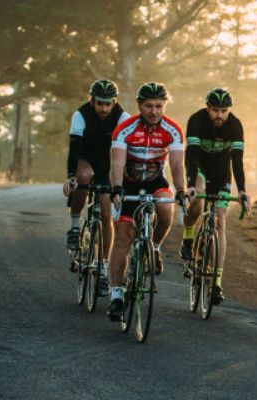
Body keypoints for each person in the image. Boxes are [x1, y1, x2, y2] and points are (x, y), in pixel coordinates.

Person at [106, 82, 187, 321]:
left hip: (155, 181)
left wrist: (181, 189)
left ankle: (155, 246)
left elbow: (175, 164)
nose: (154, 111)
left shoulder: (172, 130)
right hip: (128, 182)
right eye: (149, 106)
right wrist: (117, 188)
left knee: (165, 207)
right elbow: (117, 164)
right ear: (140, 106)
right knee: (122, 236)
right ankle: (116, 295)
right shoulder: (125, 129)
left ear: (164, 106)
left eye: (159, 106)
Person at [180, 87, 250, 305]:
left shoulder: (235, 125)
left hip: (221, 174)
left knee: (220, 222)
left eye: (223, 111)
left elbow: (237, 160)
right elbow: (191, 155)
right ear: (207, 108)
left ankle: (217, 283)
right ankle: (189, 235)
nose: (219, 115)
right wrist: (190, 185)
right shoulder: (196, 121)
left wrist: (242, 191)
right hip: (199, 168)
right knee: (198, 201)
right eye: (215, 110)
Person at [63, 79, 128, 280]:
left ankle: (102, 266)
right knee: (83, 177)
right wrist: (71, 177)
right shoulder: (80, 115)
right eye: (100, 103)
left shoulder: (122, 116)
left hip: (108, 165)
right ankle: (75, 226)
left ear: (114, 102)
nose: (104, 108)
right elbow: (74, 148)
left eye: (108, 104)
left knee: (106, 212)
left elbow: (126, 152)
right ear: (92, 100)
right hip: (86, 159)